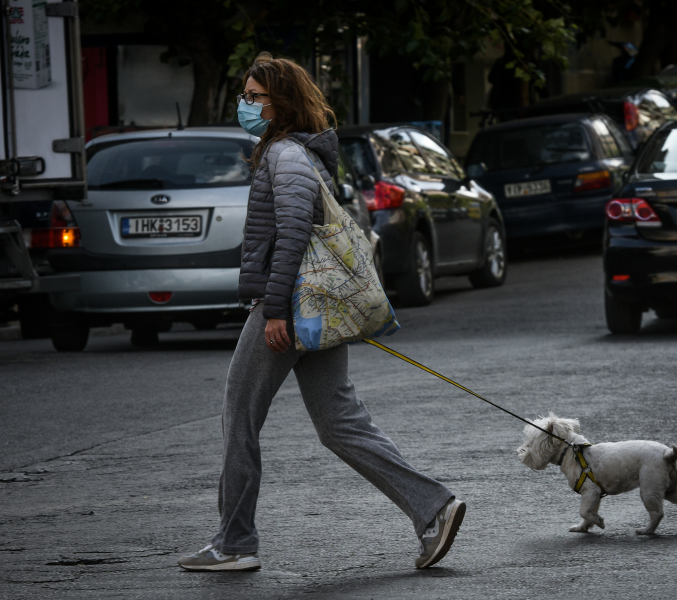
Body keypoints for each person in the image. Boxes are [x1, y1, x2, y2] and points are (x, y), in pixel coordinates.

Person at [177, 53, 464, 572]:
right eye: (244, 96)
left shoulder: (283, 155)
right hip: (312, 306)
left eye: (253, 97)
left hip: (286, 304)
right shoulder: (297, 152)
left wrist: (276, 311)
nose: (244, 105)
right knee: (339, 422)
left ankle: (234, 542)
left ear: (279, 102)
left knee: (238, 414)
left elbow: (292, 235)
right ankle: (433, 508)